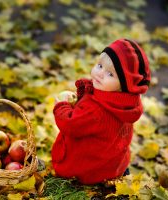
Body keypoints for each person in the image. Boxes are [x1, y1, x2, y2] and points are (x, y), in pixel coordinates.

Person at [51, 38, 151, 185]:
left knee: (68, 160)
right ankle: (117, 173)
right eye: (99, 65)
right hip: (111, 165)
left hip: (86, 171)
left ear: (125, 85)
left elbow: (70, 124)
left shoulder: (96, 109)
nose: (100, 73)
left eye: (110, 74)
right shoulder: (125, 105)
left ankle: (82, 182)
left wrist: (62, 106)